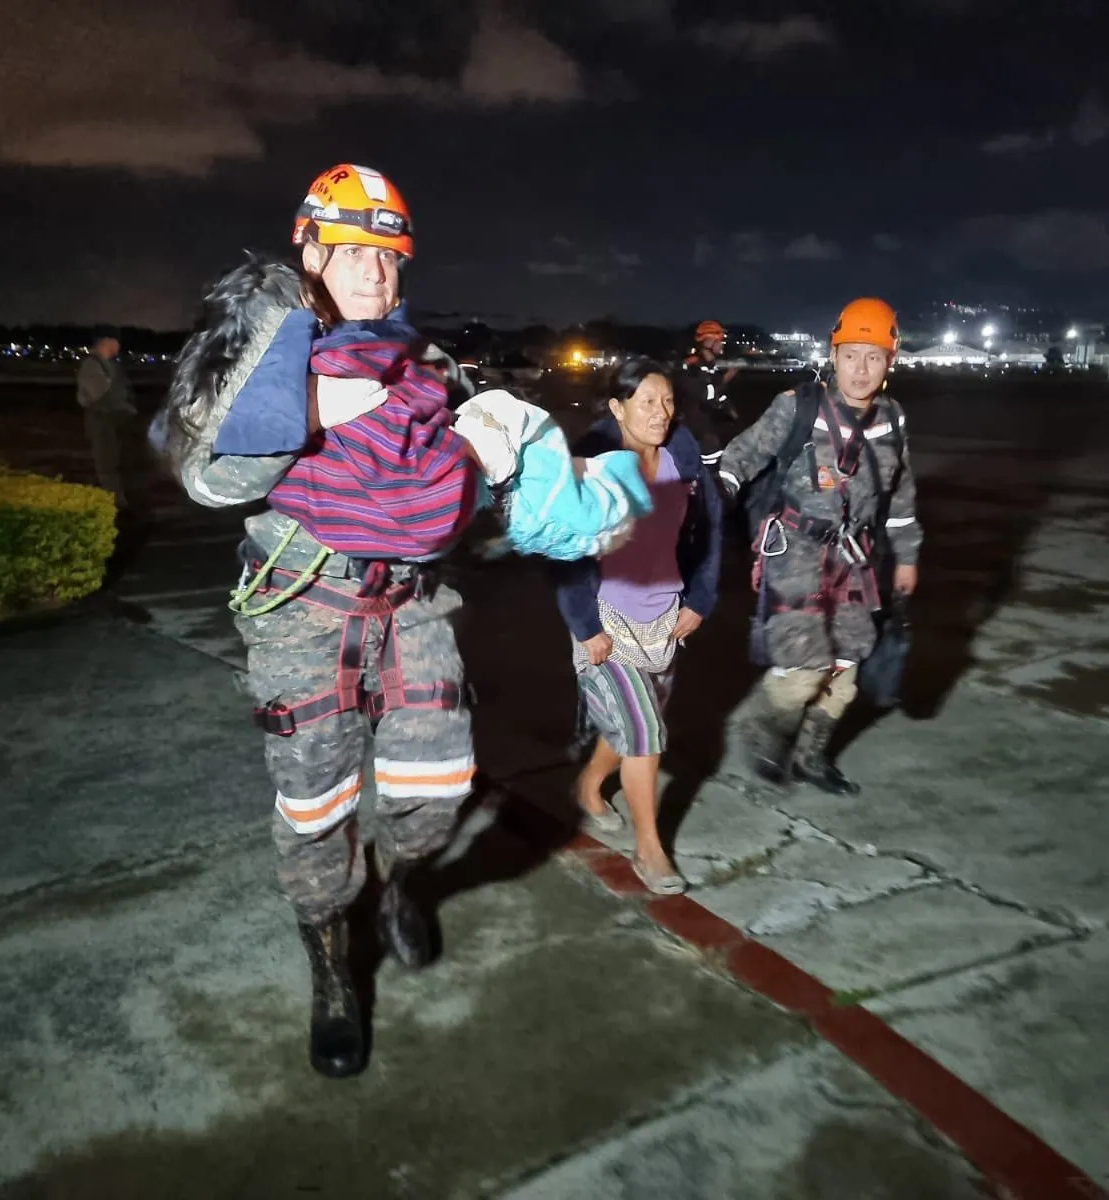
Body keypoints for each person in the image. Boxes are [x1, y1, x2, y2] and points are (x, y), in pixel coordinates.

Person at [156, 164, 482, 1081]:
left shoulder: (426, 366)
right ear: (310, 249)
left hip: (414, 595)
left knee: (437, 790)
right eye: (355, 251)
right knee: (315, 807)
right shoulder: (263, 354)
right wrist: (298, 413)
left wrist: (494, 459)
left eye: (390, 254)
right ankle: (333, 972)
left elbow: (462, 498)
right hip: (304, 606)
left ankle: (402, 882)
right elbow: (205, 477)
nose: (376, 271)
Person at [717, 297, 920, 794]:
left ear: (890, 362)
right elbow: (741, 455)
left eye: (874, 356)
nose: (861, 368)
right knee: (806, 665)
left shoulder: (892, 420)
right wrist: (713, 500)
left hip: (855, 557)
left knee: (848, 662)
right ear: (834, 356)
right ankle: (760, 727)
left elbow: (902, 495)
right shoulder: (798, 407)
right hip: (795, 551)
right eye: (851, 354)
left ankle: (811, 757)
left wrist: (908, 556)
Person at [555, 359, 723, 894]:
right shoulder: (593, 465)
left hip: (666, 619)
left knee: (630, 727)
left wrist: (700, 598)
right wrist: (585, 626)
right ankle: (650, 851)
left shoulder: (684, 460)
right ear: (617, 407)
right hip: (606, 617)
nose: (660, 413)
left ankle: (588, 784)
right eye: (647, 402)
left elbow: (711, 531)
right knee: (646, 734)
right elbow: (566, 552)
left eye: (668, 401)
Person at [75, 331, 134, 509]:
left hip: (112, 420)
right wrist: (124, 406)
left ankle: (113, 499)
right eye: (115, 343)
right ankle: (112, 502)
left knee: (113, 461)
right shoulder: (92, 365)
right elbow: (99, 396)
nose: (118, 348)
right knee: (106, 463)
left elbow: (125, 390)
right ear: (105, 343)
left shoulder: (110, 365)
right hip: (101, 419)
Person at [672, 319, 739, 470]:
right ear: (708, 342)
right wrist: (725, 380)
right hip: (695, 428)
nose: (722, 344)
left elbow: (717, 394)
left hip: (707, 425)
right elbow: (705, 394)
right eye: (719, 340)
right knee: (709, 470)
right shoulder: (691, 366)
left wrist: (729, 410)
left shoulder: (710, 366)